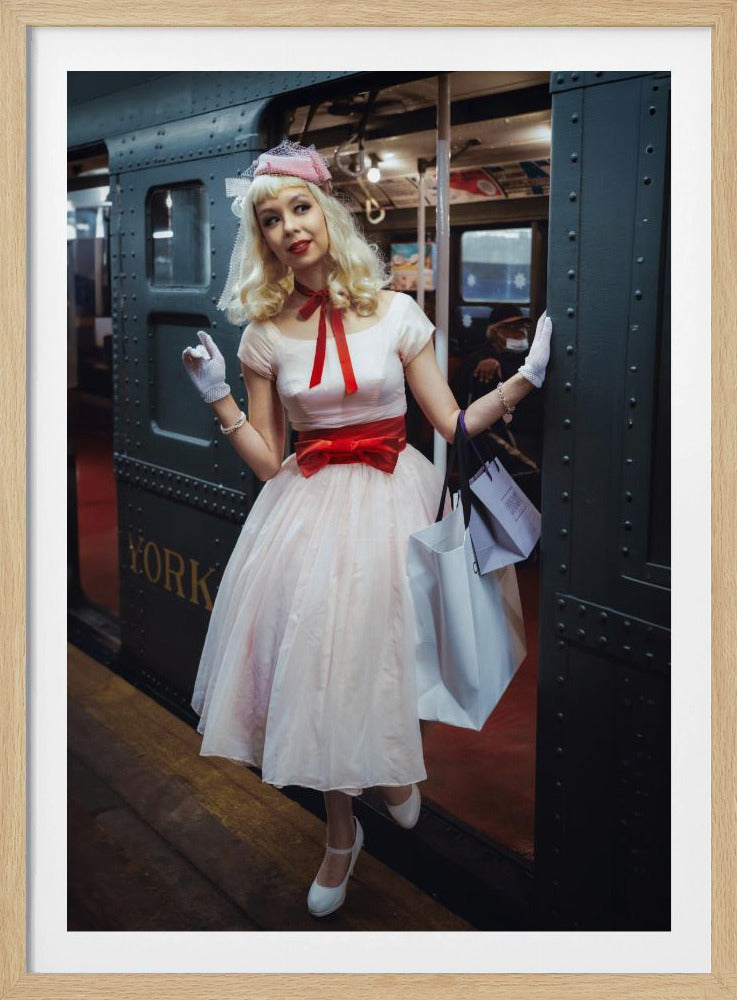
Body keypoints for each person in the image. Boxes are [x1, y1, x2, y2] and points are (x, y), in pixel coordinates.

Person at [181, 140, 553, 919]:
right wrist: (218, 399)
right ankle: (342, 832)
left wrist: (524, 378)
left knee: (382, 655)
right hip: (308, 509)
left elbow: (449, 422)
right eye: (271, 217)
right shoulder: (263, 335)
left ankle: (393, 768)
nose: (289, 227)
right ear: (262, 239)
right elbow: (268, 458)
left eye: (300, 208)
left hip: (396, 500)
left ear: (328, 215)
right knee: (318, 669)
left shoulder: (397, 313)